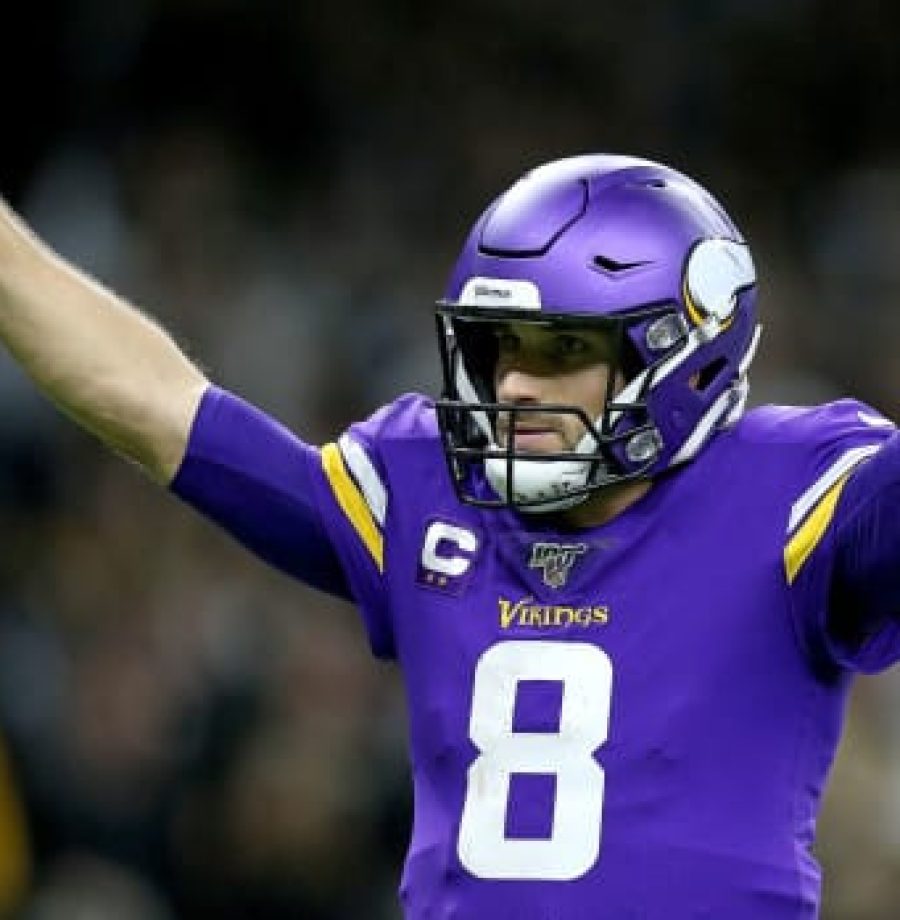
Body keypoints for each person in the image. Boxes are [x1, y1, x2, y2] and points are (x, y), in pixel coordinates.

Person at [1, 153, 898, 919]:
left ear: (680, 352)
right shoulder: (429, 488)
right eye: (498, 347)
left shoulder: (797, 497)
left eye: (557, 351)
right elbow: (157, 410)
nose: (510, 386)